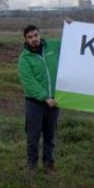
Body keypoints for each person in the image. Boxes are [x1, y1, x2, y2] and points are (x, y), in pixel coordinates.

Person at [18, 24, 61, 173]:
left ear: (39, 35)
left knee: (50, 136)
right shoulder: (24, 59)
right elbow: (29, 82)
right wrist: (44, 97)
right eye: (30, 37)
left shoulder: (52, 46)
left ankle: (49, 165)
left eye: (36, 35)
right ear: (26, 39)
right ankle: (32, 166)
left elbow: (71, 43)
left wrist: (71, 26)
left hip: (54, 102)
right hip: (34, 103)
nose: (34, 39)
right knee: (33, 136)